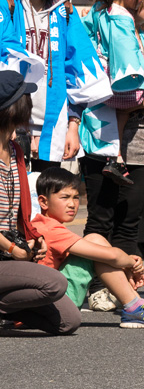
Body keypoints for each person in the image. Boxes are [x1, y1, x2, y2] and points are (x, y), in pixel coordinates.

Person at [79, 0, 144, 308]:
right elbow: (108, 91)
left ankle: (127, 288)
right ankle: (94, 286)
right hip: (102, 135)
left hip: (138, 136)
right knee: (101, 217)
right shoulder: (105, 24)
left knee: (130, 217)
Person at [0, 0, 111, 171]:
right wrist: (8, 125)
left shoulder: (66, 13)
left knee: (46, 198)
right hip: (8, 125)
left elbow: (78, 71)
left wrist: (73, 125)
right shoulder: (6, 8)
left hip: (54, 126)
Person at [31, 168, 144, 327]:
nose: (72, 204)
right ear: (44, 202)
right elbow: (112, 256)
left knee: (97, 247)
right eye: (65, 197)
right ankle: (134, 307)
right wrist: (130, 263)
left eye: (76, 197)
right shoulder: (49, 229)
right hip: (47, 307)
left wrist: (125, 264)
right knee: (95, 240)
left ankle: (136, 305)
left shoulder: (41, 225)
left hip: (43, 305)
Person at [0, 70, 80, 336]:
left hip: (9, 253)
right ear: (14, 107)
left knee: (68, 321)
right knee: (54, 283)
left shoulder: (15, 151)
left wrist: (32, 238)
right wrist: (13, 248)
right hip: (5, 251)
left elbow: (18, 211)